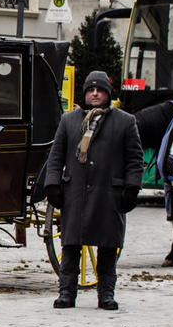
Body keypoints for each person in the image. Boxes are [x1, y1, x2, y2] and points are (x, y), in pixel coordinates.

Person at [41, 70, 144, 310]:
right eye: (91, 90)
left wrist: (131, 189)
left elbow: (134, 159)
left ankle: (106, 294)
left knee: (108, 247)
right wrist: (53, 185)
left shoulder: (125, 121)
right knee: (70, 245)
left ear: (108, 94)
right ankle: (66, 292)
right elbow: (56, 156)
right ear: (85, 93)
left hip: (109, 195)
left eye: (100, 90)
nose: (95, 94)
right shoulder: (69, 120)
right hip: (75, 192)